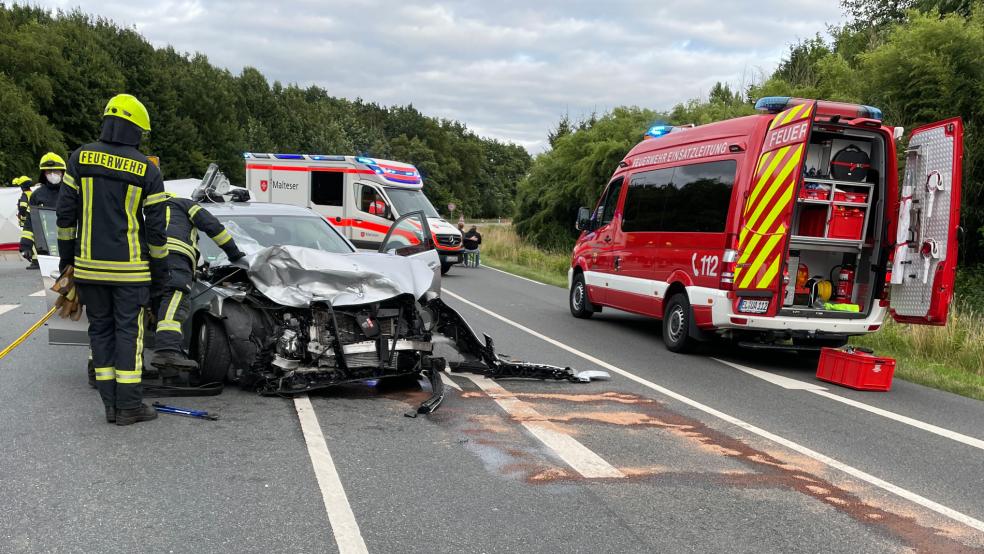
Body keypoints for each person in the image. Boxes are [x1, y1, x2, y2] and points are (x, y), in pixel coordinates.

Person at [56, 93, 168, 426]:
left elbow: (65, 217)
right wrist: (159, 276)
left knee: (100, 334)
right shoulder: (147, 169)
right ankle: (130, 406)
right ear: (135, 129)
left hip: (89, 269)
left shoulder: (79, 158)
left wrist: (68, 262)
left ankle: (110, 406)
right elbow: (157, 234)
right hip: (131, 272)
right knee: (128, 336)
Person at [150, 193, 245, 380]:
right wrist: (235, 255)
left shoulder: (146, 205)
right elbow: (213, 227)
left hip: (141, 258)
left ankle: (128, 365)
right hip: (174, 256)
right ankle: (167, 352)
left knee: (142, 307)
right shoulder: (185, 204)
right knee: (175, 298)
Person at [20, 154, 66, 269]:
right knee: (51, 280)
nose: (52, 175)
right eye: (48, 172)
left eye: (56, 171)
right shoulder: (37, 195)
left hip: (69, 242)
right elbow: (31, 221)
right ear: (44, 174)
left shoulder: (71, 192)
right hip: (47, 243)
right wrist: (26, 245)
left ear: (63, 172)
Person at [14, 176, 34, 267]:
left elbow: (23, 207)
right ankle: (35, 259)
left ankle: (35, 260)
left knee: (30, 240)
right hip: (35, 219)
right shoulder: (33, 194)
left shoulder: (25, 195)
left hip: (28, 221)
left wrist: (21, 215)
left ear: (22, 186)